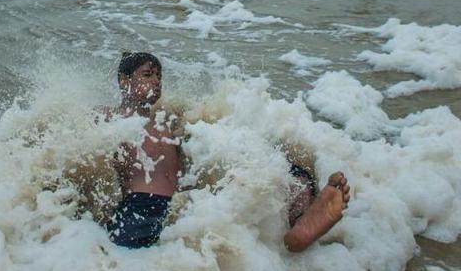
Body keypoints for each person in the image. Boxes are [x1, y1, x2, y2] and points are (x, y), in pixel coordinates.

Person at [103, 52, 351, 252]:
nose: (156, 81)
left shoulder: (170, 119)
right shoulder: (108, 116)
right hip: (142, 205)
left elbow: (209, 144)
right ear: (125, 81)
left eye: (159, 76)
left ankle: (299, 225)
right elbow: (82, 153)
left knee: (283, 170)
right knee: (136, 255)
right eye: (148, 74)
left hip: (187, 204)